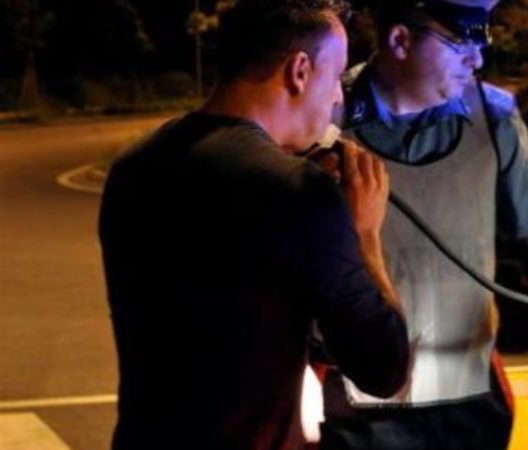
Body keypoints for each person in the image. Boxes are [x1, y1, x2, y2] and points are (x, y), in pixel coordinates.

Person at [98, 1, 410, 449]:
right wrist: (364, 233)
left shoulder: (133, 167)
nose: (338, 98)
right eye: (336, 77)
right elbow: (383, 368)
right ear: (299, 71)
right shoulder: (299, 192)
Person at [318, 1, 528, 449]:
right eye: (461, 41)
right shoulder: (325, 114)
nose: (477, 59)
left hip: (467, 398)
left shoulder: (494, 116)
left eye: (483, 38)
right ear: (400, 40)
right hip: (360, 403)